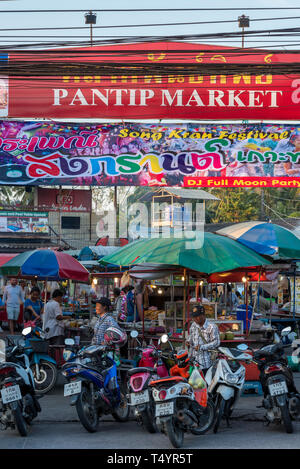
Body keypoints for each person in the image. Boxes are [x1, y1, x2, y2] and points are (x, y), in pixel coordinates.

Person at [186, 304, 220, 375]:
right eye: (194, 316)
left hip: (207, 363)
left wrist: (202, 347)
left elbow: (216, 342)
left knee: (206, 384)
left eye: (197, 316)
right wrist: (188, 341)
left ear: (203, 315)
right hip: (194, 362)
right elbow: (191, 337)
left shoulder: (212, 327)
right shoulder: (193, 325)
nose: (195, 318)